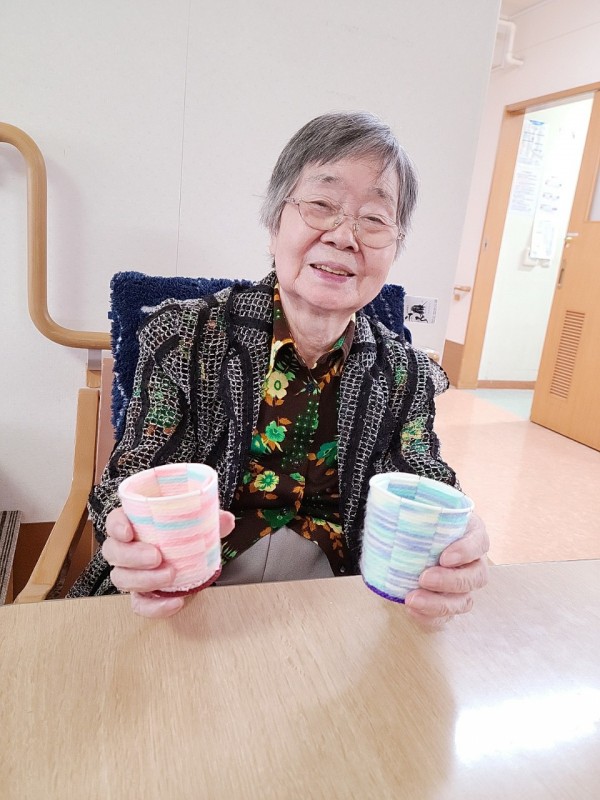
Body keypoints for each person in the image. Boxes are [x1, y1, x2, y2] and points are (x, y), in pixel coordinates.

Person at [68, 111, 489, 627]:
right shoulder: (184, 336)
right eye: (321, 205)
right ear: (274, 225)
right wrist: (129, 533)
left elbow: (423, 475)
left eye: (375, 219)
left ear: (395, 246)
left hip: (343, 600)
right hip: (193, 587)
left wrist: (457, 533)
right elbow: (134, 474)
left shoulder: (405, 372)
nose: (344, 236)